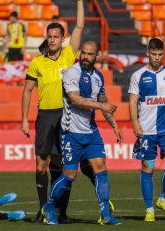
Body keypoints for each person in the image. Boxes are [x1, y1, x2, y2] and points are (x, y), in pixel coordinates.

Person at [22, 0, 91, 223]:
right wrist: (23, 118)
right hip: (45, 116)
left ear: (62, 39)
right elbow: (27, 90)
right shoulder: (37, 63)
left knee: (63, 166)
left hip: (66, 116)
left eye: (55, 36)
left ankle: (61, 212)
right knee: (41, 166)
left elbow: (80, 26)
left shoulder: (69, 55)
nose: (52, 39)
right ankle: (42, 210)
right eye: (49, 36)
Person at [41, 41, 123, 225]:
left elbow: (103, 101)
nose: (85, 57)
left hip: (91, 132)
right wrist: (102, 105)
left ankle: (105, 215)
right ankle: (49, 207)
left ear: (96, 56)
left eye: (90, 54)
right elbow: (75, 99)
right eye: (83, 53)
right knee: (70, 175)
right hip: (71, 133)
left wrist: (114, 125)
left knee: (101, 170)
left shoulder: (98, 77)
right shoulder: (72, 72)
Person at [128, 38, 165, 222]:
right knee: (148, 166)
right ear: (148, 53)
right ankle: (149, 209)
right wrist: (135, 122)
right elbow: (132, 101)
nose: (157, 58)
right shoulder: (138, 76)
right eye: (154, 54)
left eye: (160, 54)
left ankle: (163, 199)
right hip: (147, 131)